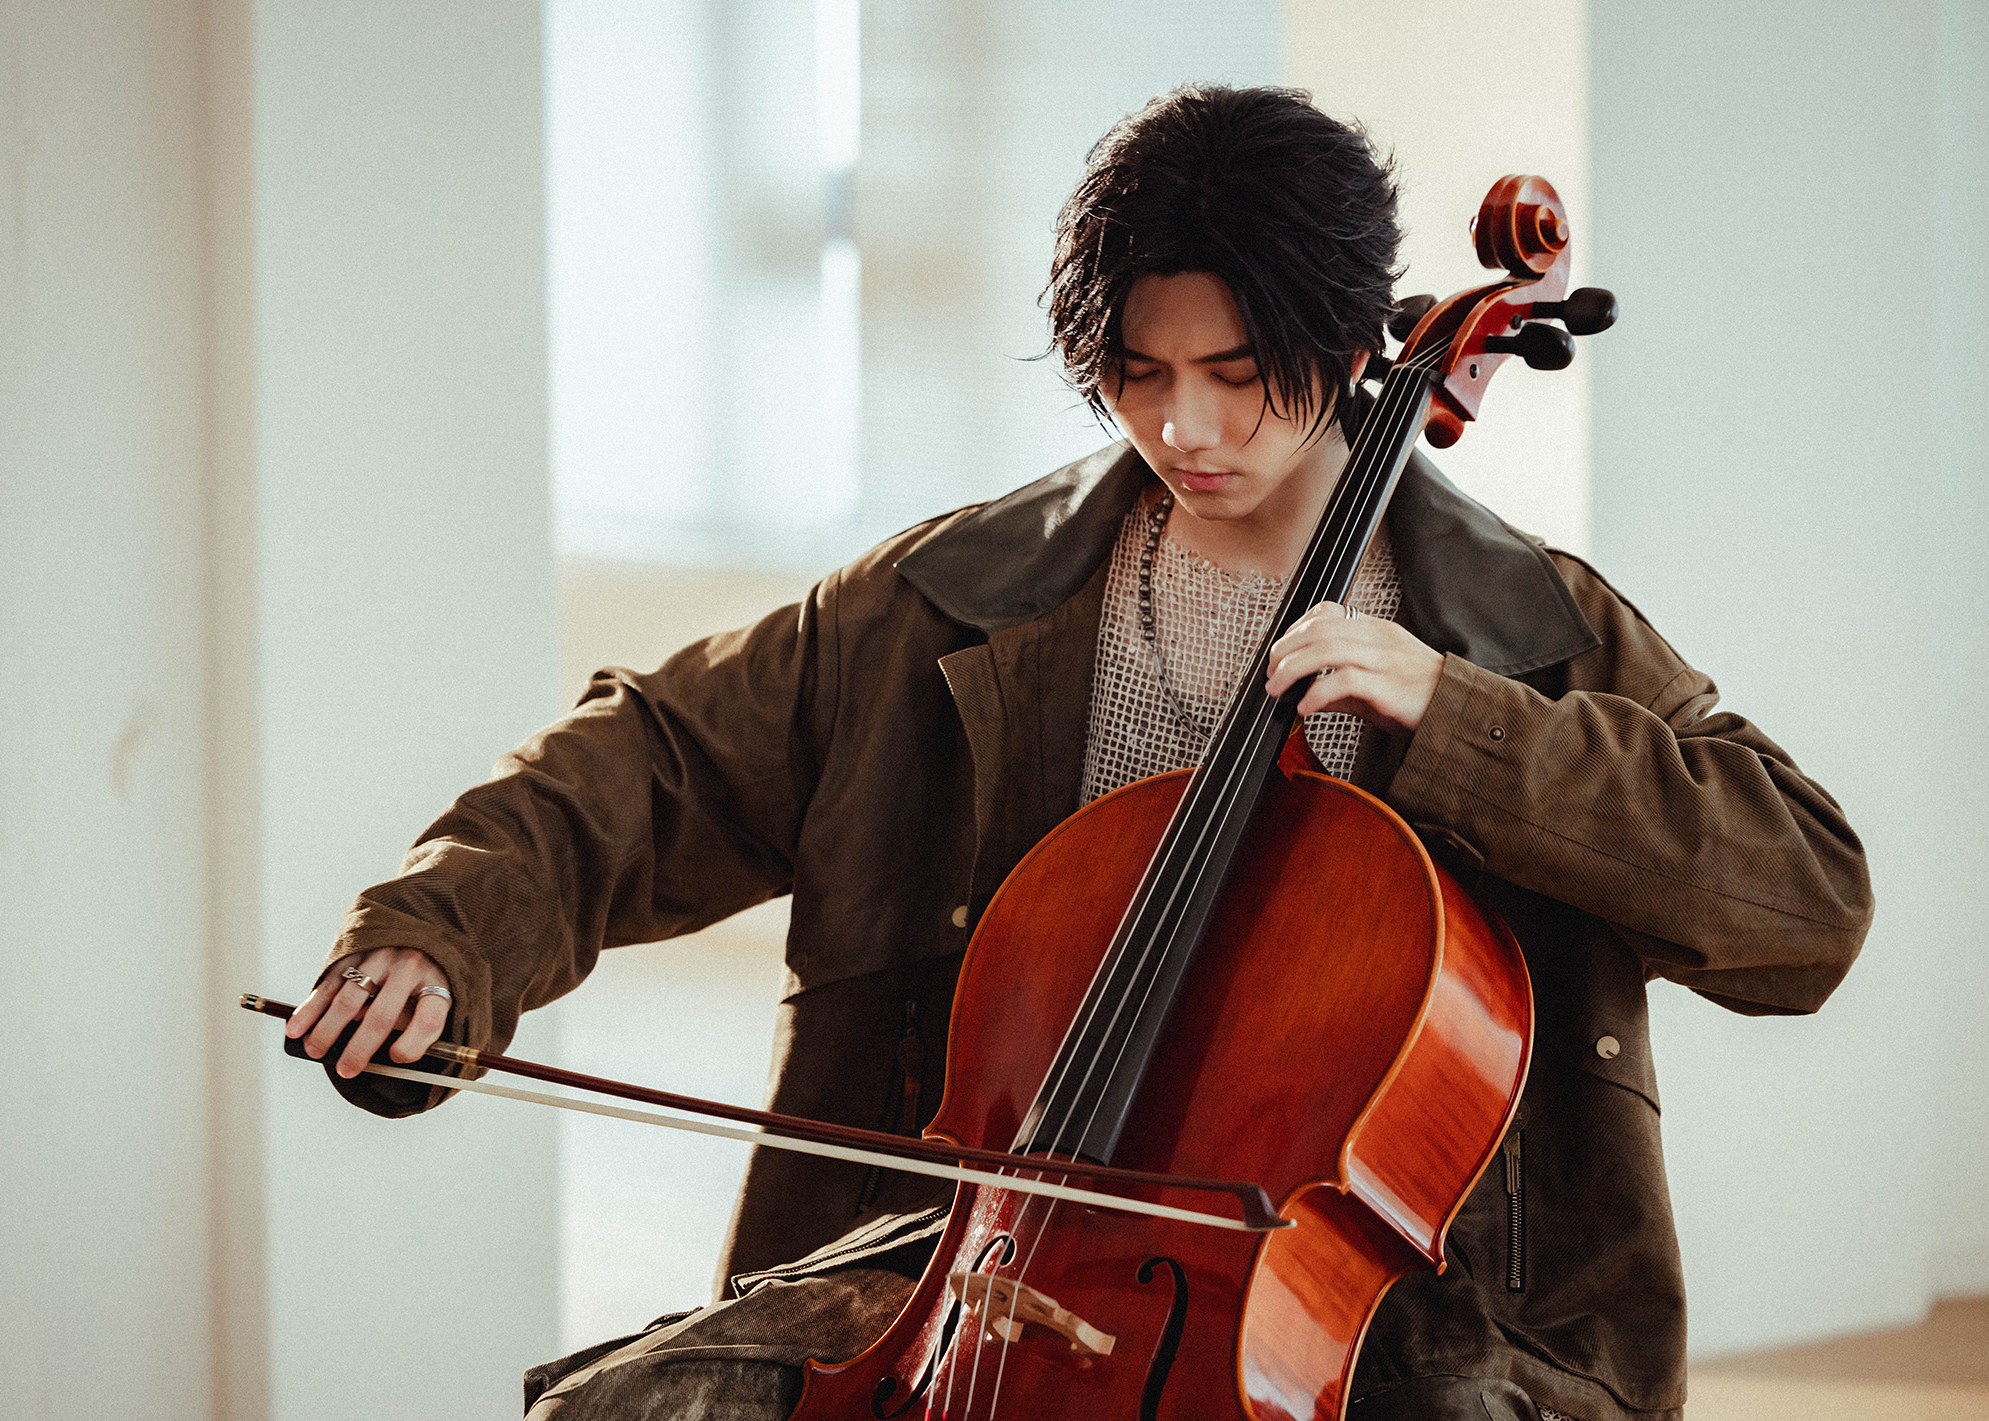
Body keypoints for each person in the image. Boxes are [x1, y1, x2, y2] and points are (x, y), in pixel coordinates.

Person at [284, 85, 1871, 1421]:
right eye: (1138, 375)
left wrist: (1461, 725)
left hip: (1423, 1304)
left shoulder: (1530, 624)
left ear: (1343, 346)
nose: (1184, 429)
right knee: (618, 1403)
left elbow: (1804, 895)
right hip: (972, 1248)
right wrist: (441, 933)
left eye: (1241, 380)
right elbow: (649, 762)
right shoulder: (945, 604)